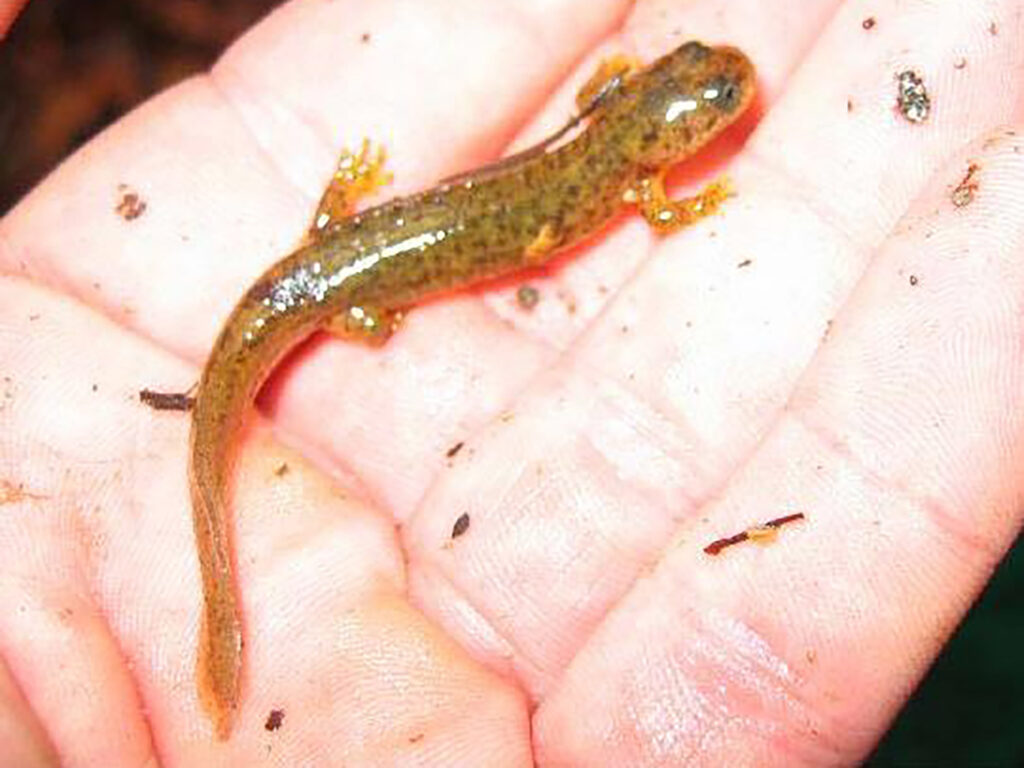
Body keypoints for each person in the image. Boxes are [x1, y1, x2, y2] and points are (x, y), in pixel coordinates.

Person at [1, 0, 1022, 764]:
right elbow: (657, 208)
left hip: (336, 262)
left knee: (355, 285)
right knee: (354, 294)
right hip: (333, 283)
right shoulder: (633, 174)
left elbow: (602, 115)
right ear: (663, 129)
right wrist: (678, 207)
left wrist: (351, 234)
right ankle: (222, 607)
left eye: (709, 87)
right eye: (704, 90)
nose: (722, 93)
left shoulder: (613, 126)